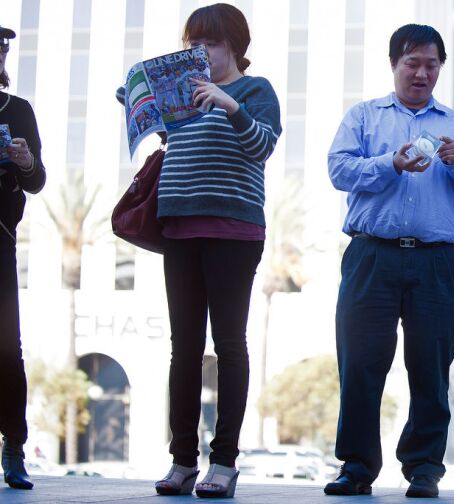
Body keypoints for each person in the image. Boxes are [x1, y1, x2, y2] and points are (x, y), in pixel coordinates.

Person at [325, 24, 454, 499]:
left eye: (431, 64)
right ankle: (356, 467)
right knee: (360, 364)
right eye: (412, 63)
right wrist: (390, 164)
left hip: (436, 263)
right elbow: (338, 169)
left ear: (440, 68)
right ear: (394, 65)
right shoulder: (364, 117)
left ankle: (424, 468)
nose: (421, 73)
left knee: (430, 367)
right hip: (370, 256)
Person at [152, 4, 281, 499]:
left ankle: (223, 461)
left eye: (209, 43)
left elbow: (261, 146)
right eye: (193, 43)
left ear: (235, 45)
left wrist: (228, 104)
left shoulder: (255, 90)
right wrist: (145, 107)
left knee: (229, 343)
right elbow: (171, 145)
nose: (200, 52)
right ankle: (181, 458)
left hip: (234, 229)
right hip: (179, 227)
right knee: (182, 346)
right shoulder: (182, 93)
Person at [0, 24, 46, 491]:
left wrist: (26, 161)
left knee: (6, 349)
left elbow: (37, 181)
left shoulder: (18, 110)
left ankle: (13, 448)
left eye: (0, 48)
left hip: (0, 238)